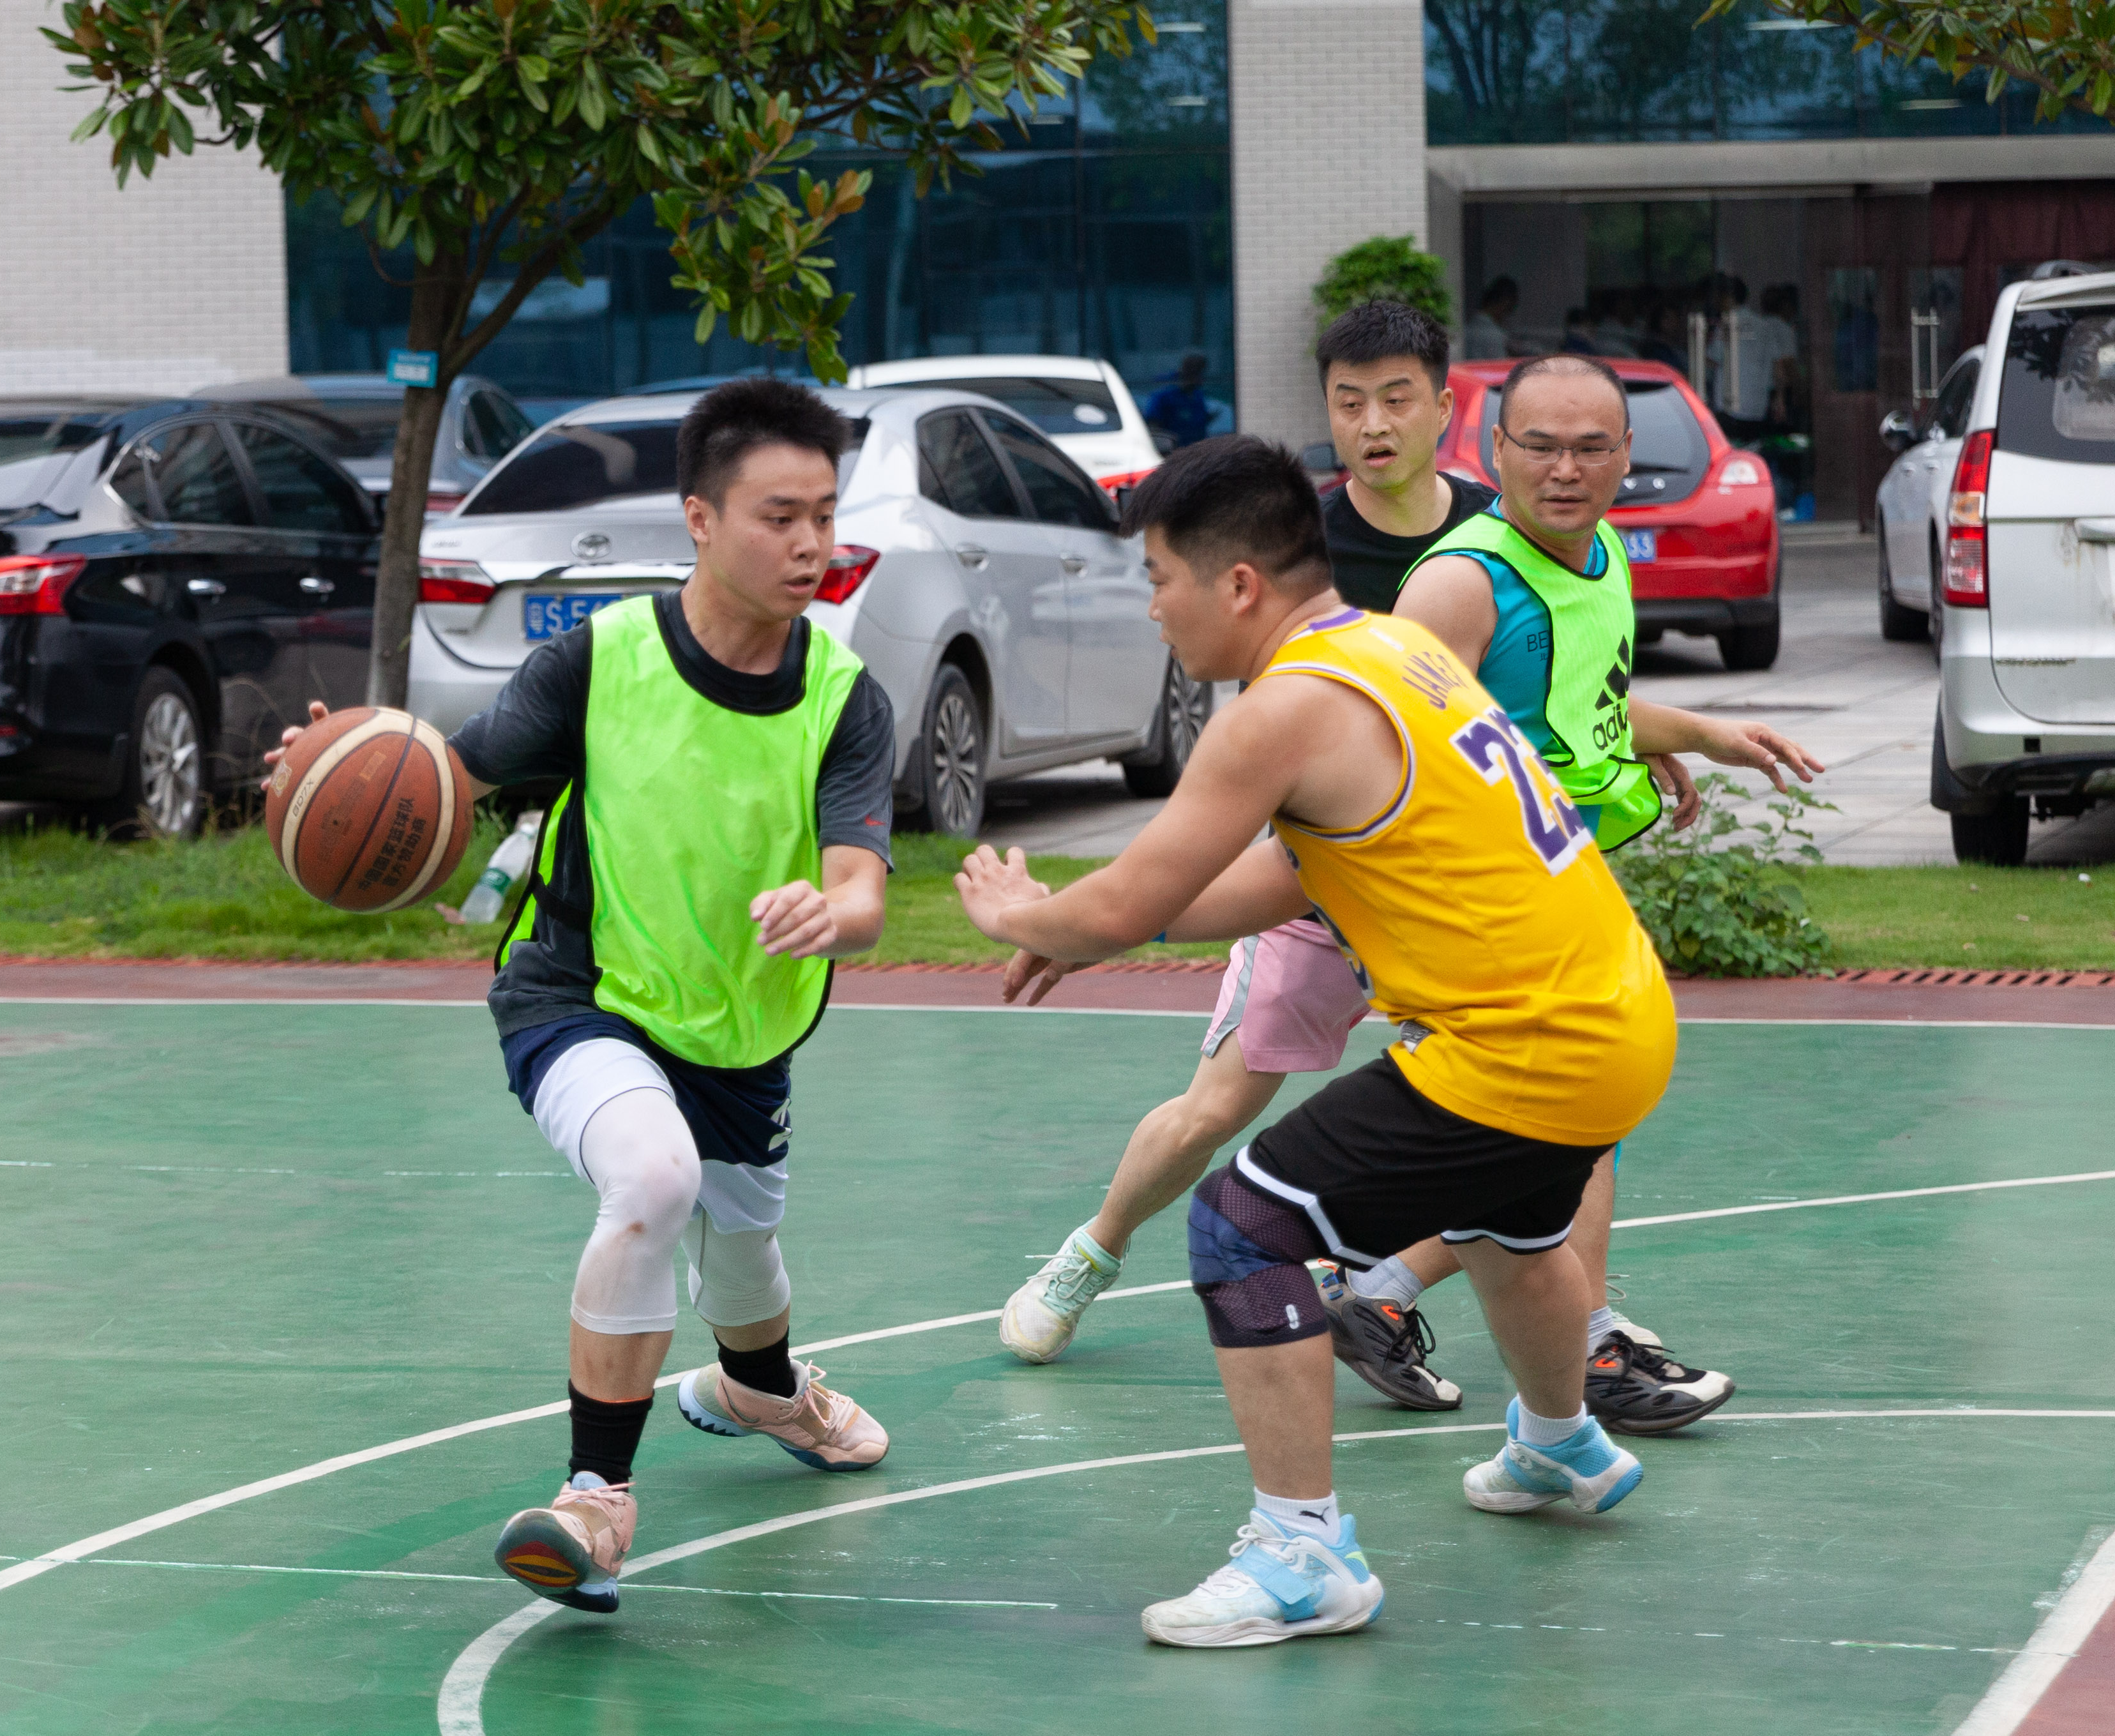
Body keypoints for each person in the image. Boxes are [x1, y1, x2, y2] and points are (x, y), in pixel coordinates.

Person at [998, 331, 1825, 1436]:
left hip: (1454, 914)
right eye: (1350, 401)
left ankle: (1528, 1364)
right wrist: (1104, 918)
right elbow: (1377, 771)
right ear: (1495, 441)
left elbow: (1541, 709)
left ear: (1444, 413)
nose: (1374, 422)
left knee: (1518, 1133)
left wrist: (1673, 734)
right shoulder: (1391, 570)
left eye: (1396, 398)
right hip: (1348, 887)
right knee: (1228, 1114)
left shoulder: (1542, 554)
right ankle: (1099, 1250)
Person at [954, 435, 1680, 1647]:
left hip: (1520, 1043)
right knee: (1504, 1224)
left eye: (1159, 578)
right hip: (1617, 1016)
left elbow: (1126, 899)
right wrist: (1105, 925)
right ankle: (1558, 1440)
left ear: (1237, 583)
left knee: (1242, 1226)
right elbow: (1289, 871)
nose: (1152, 607)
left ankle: (1303, 1554)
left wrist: (1025, 914)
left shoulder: (1283, 706)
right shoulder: (1391, 649)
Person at [271, 377, 901, 1617]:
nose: (810, 544)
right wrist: (334, 768)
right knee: (653, 1178)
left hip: (740, 1028)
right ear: (699, 518)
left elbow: (862, 887)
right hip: (577, 993)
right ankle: (593, 1500)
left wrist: (833, 912)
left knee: (743, 1259)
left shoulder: (841, 697)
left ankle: (764, 1389)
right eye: (778, 516)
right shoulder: (600, 661)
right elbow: (449, 783)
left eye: (824, 516)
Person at [1145, 351, 1215, 449]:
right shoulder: (1164, 394)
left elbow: (1198, 418)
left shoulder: (1197, 393)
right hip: (1173, 450)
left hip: (1198, 448)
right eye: (1197, 373)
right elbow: (1153, 424)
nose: (1201, 379)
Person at [1463, 276, 1519, 359]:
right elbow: (1500, 365)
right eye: (1509, 309)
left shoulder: (1467, 329)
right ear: (1505, 303)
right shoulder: (1494, 335)